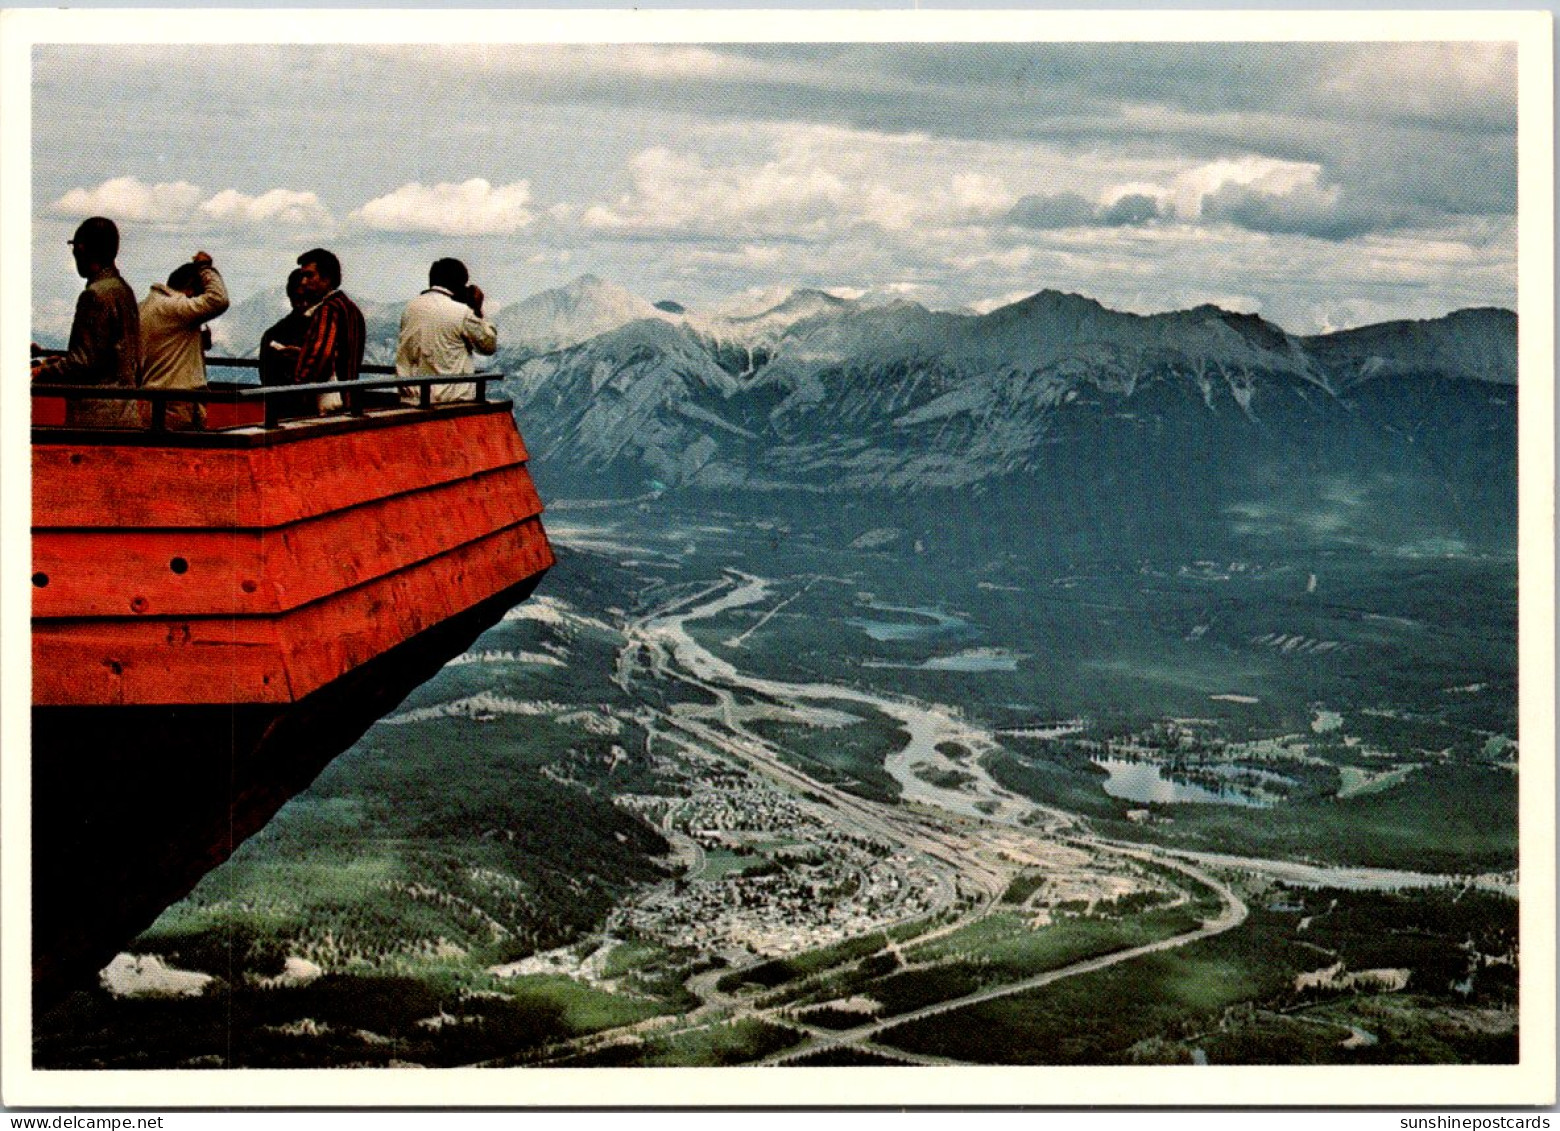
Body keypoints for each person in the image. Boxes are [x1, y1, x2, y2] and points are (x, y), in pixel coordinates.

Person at [31, 216, 141, 427]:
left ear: (81, 249)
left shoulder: (94, 295)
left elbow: (82, 363)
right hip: (124, 412)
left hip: (96, 416)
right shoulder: (123, 290)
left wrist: (41, 372)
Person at [138, 251, 230, 430]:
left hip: (153, 402)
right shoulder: (175, 308)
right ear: (190, 291)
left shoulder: (146, 307)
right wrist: (205, 268)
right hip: (180, 405)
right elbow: (219, 300)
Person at [395, 257, 498, 405]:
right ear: (459, 284)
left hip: (411, 398)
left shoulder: (410, 308)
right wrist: (477, 309)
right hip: (450, 399)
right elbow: (488, 345)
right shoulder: (462, 313)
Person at [292, 247, 365, 414]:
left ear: (327, 278)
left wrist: (300, 382)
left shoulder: (328, 309)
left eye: (309, 275)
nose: (303, 282)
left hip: (330, 400)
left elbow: (322, 352)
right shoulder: (352, 309)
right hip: (350, 397)